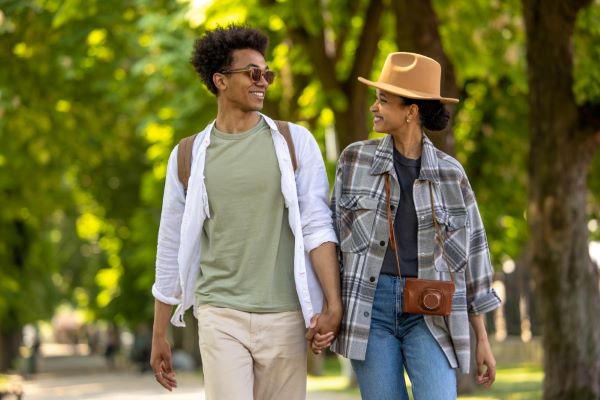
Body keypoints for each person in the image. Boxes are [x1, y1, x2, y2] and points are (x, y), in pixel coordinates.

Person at [150, 25, 342, 400]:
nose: (264, 81)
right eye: (253, 73)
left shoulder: (294, 142)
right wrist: (160, 333)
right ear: (220, 80)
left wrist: (332, 305)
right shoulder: (188, 156)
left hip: (286, 315)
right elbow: (170, 244)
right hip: (220, 312)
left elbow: (318, 225)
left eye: (267, 73)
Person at [327, 52, 501, 399]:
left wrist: (482, 338)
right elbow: (331, 243)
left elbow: (474, 256)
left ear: (412, 111)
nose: (374, 107)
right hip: (369, 310)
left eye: (383, 100)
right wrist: (329, 309)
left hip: (430, 313)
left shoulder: (451, 174)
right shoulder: (354, 160)